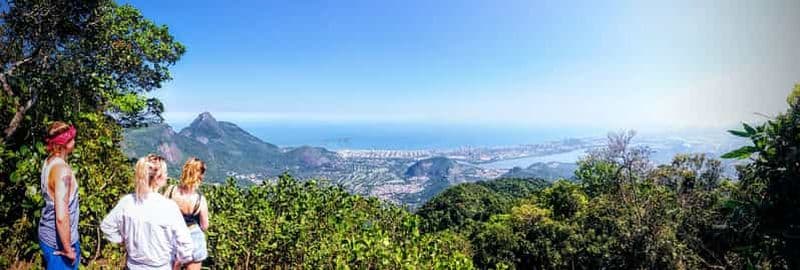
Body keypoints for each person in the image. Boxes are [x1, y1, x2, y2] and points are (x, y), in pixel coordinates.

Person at [101, 154, 194, 269]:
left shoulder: (127, 202)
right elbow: (186, 246)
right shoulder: (169, 207)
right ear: (157, 178)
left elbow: (107, 226)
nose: (167, 176)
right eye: (165, 173)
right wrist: (177, 262)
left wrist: (123, 241)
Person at [39, 121, 80, 269]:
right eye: (72, 138)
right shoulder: (62, 170)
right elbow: (62, 217)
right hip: (59, 244)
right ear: (65, 143)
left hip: (48, 235)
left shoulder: (49, 162)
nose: (75, 141)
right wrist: (68, 250)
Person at [164, 157, 210, 270]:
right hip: (194, 238)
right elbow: (205, 226)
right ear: (200, 176)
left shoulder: (170, 191)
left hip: (172, 238)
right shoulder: (200, 199)